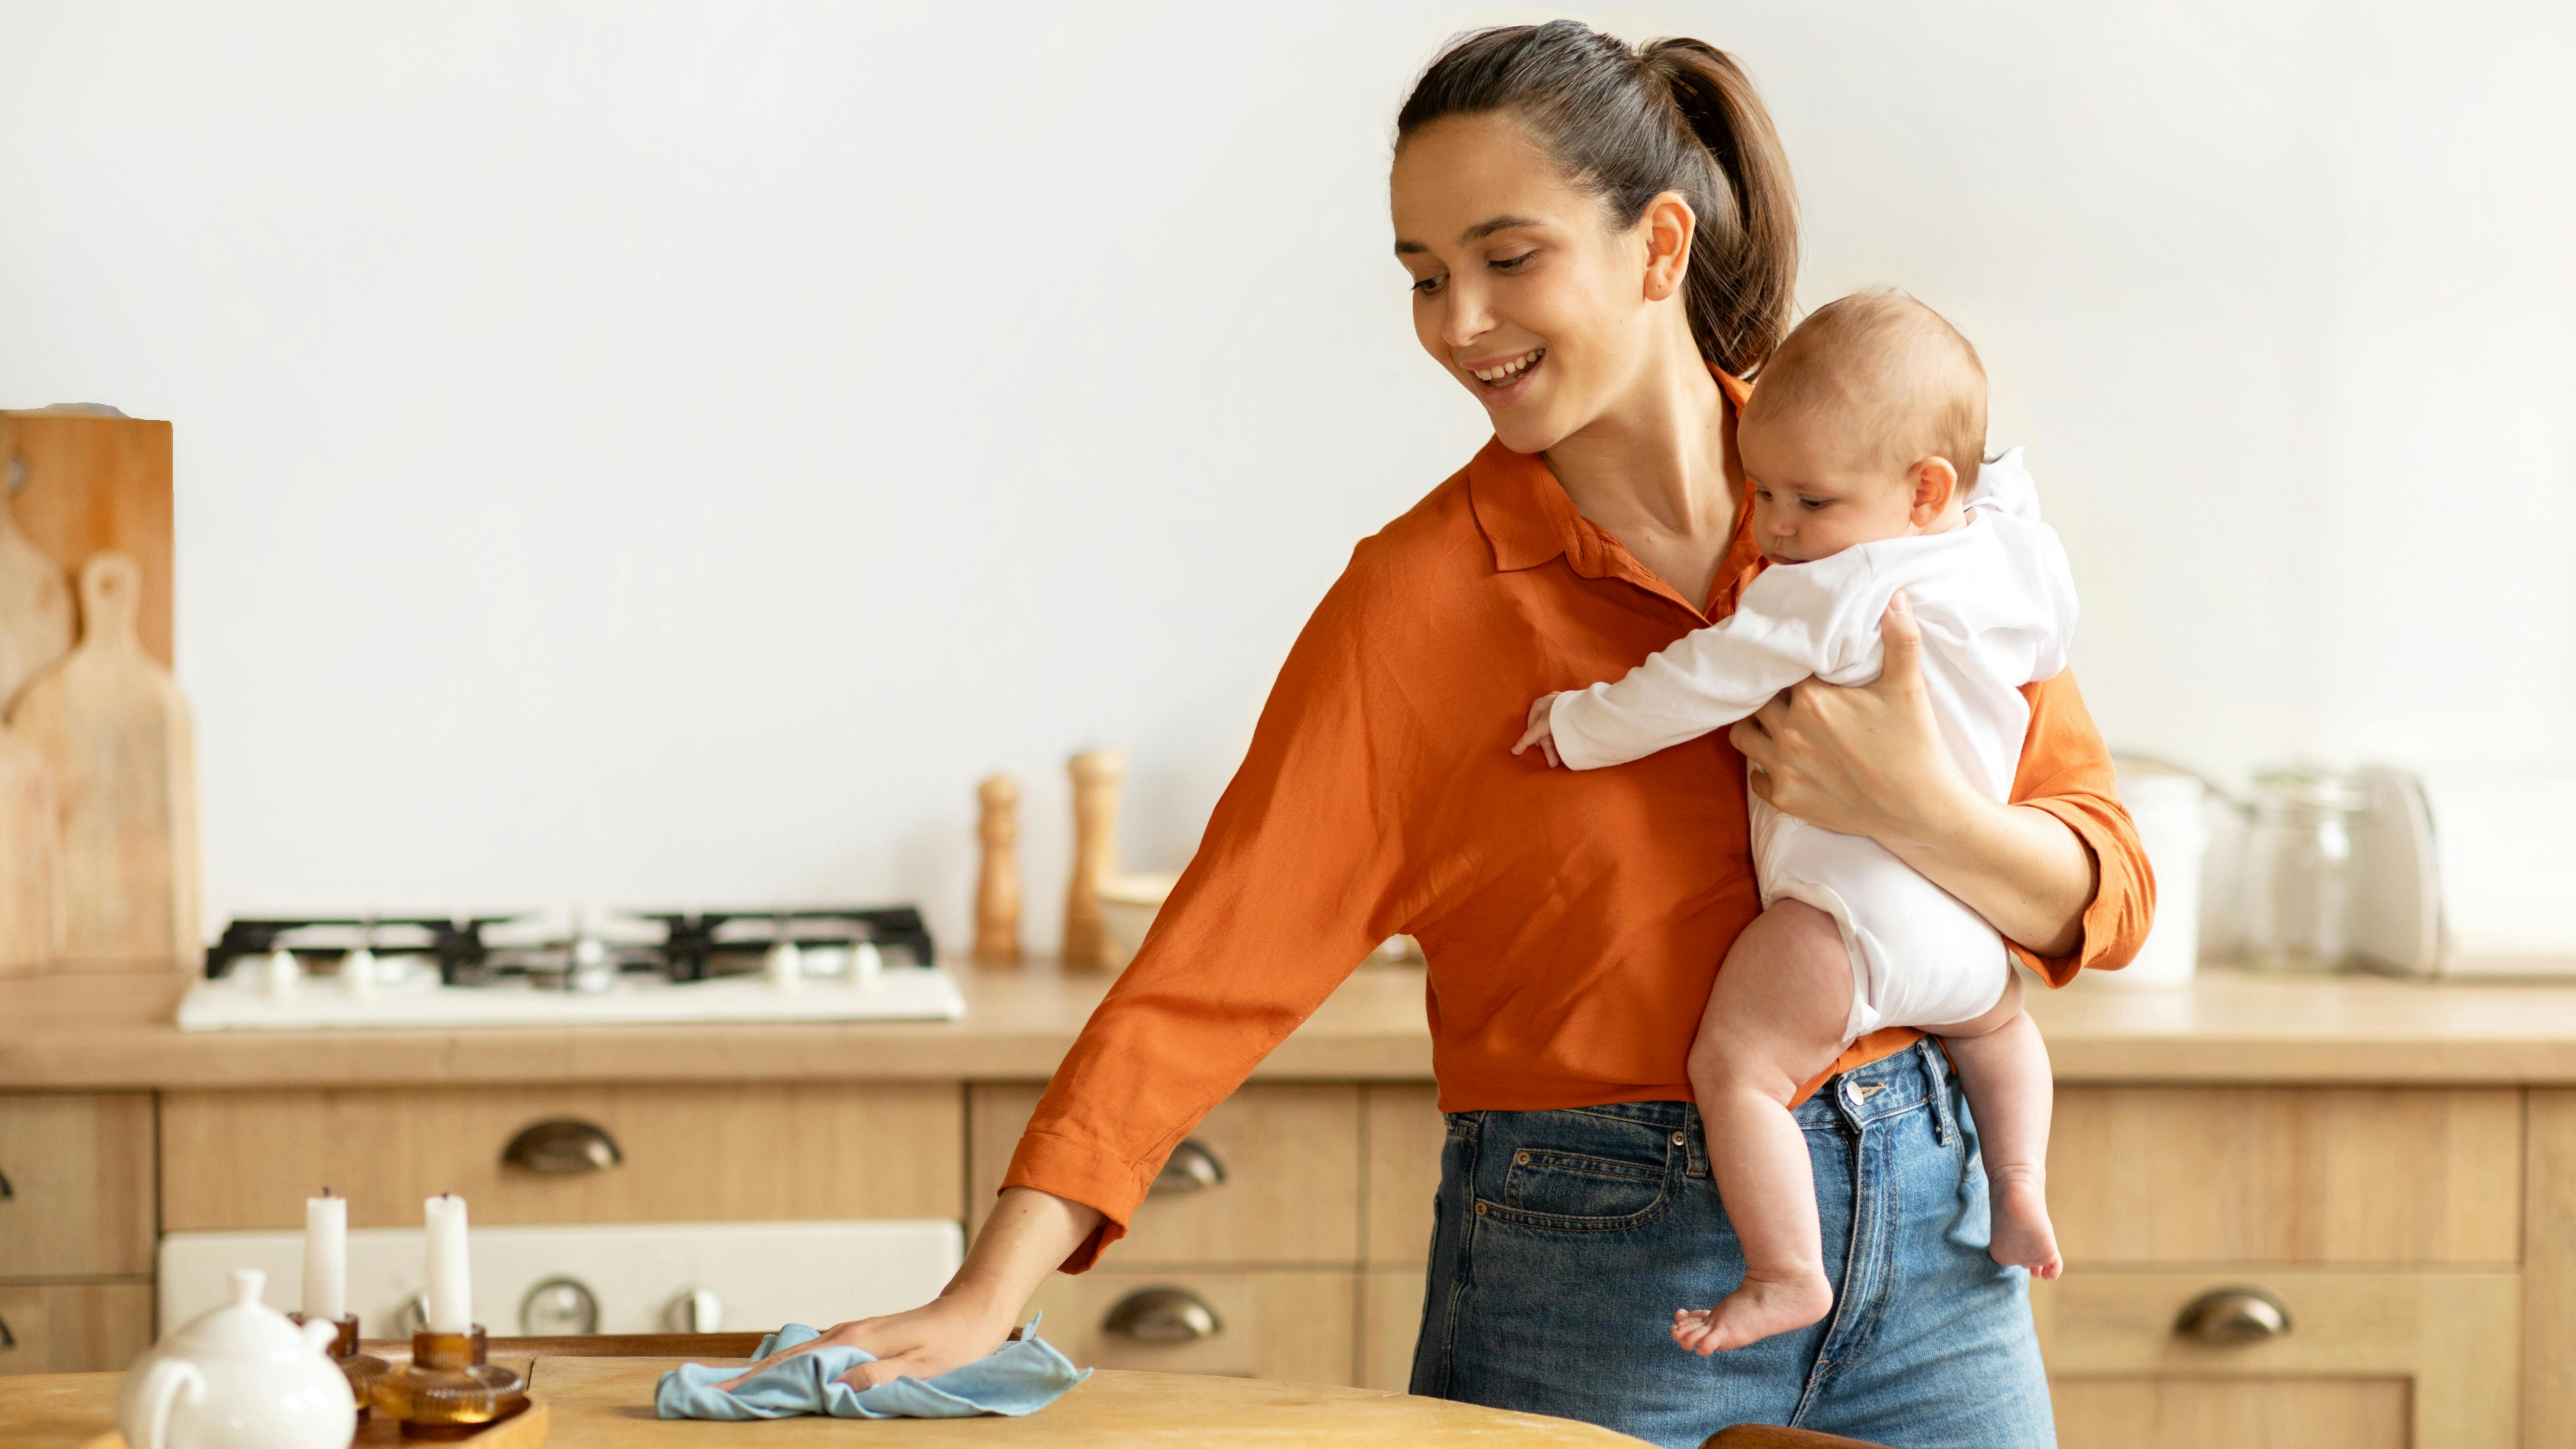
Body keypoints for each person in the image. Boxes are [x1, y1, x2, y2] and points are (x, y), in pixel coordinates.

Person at [729, 21, 2148, 1447]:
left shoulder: (1887, 512)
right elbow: (1211, 968)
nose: (1458, 321)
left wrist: (1926, 815)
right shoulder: (1420, 609)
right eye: (1423, 277)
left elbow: (2105, 890)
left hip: (1944, 1250)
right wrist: (988, 1292)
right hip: (1596, 1276)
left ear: (1658, 248)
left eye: (1506, 257)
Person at [1513, 291, 2073, 1356]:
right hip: (1968, 928)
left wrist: (1581, 726)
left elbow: (1701, 677)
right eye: (1761, 491)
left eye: (1809, 501)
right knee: (2000, 1030)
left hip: (1843, 925)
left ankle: (1784, 1270)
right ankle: (2017, 1183)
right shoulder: (2014, 558)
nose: (1774, 527)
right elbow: (2044, 637)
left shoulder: (1830, 587)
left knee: (1738, 1069)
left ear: (1922, 490)